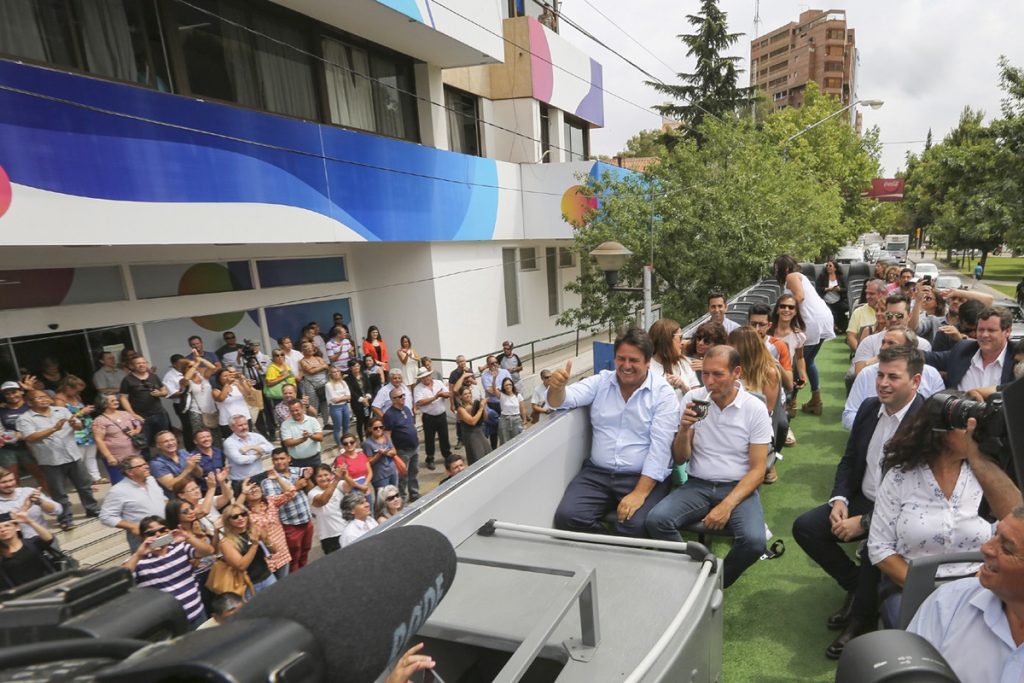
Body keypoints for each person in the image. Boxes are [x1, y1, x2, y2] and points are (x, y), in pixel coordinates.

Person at [792, 345, 926, 658]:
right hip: (861, 500)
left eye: (894, 376)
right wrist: (839, 499)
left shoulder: (927, 425)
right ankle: (856, 587)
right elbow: (850, 459)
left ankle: (861, 622)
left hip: (901, 515)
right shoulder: (868, 408)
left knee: (871, 553)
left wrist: (865, 524)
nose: (883, 382)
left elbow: (918, 494)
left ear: (916, 381)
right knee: (806, 528)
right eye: (880, 374)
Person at [868, 408, 1022, 627]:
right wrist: (929, 592)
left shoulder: (988, 477)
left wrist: (980, 583)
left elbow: (1009, 531)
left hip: (980, 584)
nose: (973, 433)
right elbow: (880, 548)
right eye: (965, 426)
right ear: (940, 432)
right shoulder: (899, 477)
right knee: (923, 647)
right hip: (911, 587)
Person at [646, 346, 772, 587]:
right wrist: (684, 429)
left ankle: (715, 582)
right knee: (656, 520)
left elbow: (758, 470)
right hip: (698, 484)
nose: (710, 381)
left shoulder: (754, 409)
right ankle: (694, 572)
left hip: (738, 487)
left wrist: (727, 505)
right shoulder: (693, 400)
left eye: (718, 374)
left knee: (755, 542)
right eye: (705, 374)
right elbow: (680, 458)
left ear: (737, 373)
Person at [550, 328, 678, 537]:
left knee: (633, 526)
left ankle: (619, 552)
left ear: (648, 362)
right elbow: (562, 400)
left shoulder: (663, 394)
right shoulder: (601, 382)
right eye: (621, 358)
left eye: (633, 360)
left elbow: (661, 450)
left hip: (643, 477)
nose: (626, 366)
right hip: (597, 474)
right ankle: (611, 549)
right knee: (568, 516)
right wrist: (557, 388)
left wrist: (639, 493)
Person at [907, 507, 1024, 683]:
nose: (986, 548)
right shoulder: (948, 602)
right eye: (995, 534)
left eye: (1006, 549)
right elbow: (908, 674)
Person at [16, 390, 100, 530]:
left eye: (45, 396)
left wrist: (76, 425)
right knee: (59, 492)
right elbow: (30, 437)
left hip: (73, 455)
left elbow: (79, 426)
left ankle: (92, 509)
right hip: (50, 461)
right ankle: (65, 518)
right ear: (30, 403)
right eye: (39, 398)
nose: (44, 399)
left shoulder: (62, 410)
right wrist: (54, 429)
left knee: (84, 486)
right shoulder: (25, 419)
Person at [842, 328, 945, 430]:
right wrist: (874, 428)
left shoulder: (931, 375)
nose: (883, 347)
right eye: (883, 342)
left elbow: (938, 414)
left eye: (891, 343)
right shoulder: (866, 374)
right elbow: (849, 414)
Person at [124, 515, 214, 630]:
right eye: (151, 533)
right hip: (172, 625)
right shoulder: (138, 561)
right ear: (142, 538)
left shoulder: (180, 547)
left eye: (162, 530)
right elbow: (122, 579)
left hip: (198, 615)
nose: (158, 535)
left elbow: (208, 551)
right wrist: (138, 554)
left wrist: (188, 537)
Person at [773, 255, 835, 416]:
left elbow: (799, 297)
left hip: (812, 322)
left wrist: (782, 310)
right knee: (809, 361)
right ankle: (816, 399)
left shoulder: (791, 276)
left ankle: (790, 403)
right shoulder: (799, 277)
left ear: (785, 268)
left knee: (794, 364)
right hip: (821, 318)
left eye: (777, 268)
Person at [727, 327, 783, 484]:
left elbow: (768, 410)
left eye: (732, 345)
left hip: (754, 422)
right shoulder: (729, 368)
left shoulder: (768, 373)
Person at [925, 306, 1017, 391]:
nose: (984, 335)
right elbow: (927, 358)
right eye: (981, 330)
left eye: (991, 330)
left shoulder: (1018, 358)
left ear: (1007, 331)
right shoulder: (962, 350)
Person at [852, 295, 933, 376]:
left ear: (909, 316)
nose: (893, 319)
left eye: (899, 315)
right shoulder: (869, 342)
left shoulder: (922, 345)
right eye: (889, 315)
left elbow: (923, 376)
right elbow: (859, 374)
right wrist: (881, 357)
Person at [99, 456, 167, 551]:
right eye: (141, 466)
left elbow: (163, 499)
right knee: (151, 563)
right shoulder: (118, 490)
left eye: (145, 464)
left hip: (164, 531)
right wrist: (132, 526)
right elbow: (106, 516)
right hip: (144, 538)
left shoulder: (151, 480)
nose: (146, 467)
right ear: (130, 472)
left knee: (171, 558)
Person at [262, 448, 314, 572]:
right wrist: (295, 487)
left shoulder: (297, 471)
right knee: (294, 558)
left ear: (289, 458)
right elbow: (275, 502)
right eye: (276, 459)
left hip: (307, 520)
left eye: (282, 458)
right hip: (290, 525)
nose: (279, 462)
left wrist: (308, 479)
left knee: (305, 552)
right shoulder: (268, 481)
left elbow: (310, 489)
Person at [243, 471, 295, 580]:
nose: (254, 490)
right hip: (263, 562)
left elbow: (291, 493)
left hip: (282, 554)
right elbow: (232, 512)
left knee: (285, 586)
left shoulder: (270, 502)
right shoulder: (243, 514)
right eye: (250, 488)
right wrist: (243, 493)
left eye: (256, 486)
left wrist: (278, 478)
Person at [219, 504, 277, 596]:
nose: (240, 518)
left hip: (268, 576)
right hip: (249, 586)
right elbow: (241, 566)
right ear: (228, 521)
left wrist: (266, 540)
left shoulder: (255, 529)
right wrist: (254, 545)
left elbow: (274, 551)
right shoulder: (226, 542)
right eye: (235, 517)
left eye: (243, 514)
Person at [0, 381, 48, 491]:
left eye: (14, 392)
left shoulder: (32, 406)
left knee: (40, 474)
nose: (11, 396)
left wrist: (31, 390)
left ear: (21, 391)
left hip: (31, 446)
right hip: (8, 449)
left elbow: (45, 416)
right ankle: (17, 503)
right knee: (12, 478)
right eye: (7, 394)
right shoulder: (2, 409)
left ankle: (51, 500)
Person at [119, 355, 170, 452]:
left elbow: (165, 391)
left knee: (164, 439)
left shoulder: (153, 376)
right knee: (143, 444)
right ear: (132, 366)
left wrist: (160, 393)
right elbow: (123, 398)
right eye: (138, 363)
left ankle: (165, 461)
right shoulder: (127, 380)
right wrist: (132, 414)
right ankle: (146, 464)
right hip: (141, 416)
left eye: (143, 363)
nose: (141, 365)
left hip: (159, 413)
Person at [769, 294, 808, 419]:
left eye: (791, 307)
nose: (786, 310)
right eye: (783, 306)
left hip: (786, 374)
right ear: (777, 309)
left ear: (795, 312)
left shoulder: (799, 336)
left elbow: (800, 357)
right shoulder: (767, 331)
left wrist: (803, 375)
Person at [0, 510, 58, 588]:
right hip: (25, 595)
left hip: (50, 585)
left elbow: (49, 539)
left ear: (17, 527)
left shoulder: (31, 543)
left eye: (7, 525)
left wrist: (29, 521)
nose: (3, 530)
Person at [0, 467, 61, 538]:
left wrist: (40, 501)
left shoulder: (28, 491)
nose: (9, 484)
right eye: (3, 482)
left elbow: (58, 510)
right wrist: (25, 507)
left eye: (11, 480)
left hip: (44, 538)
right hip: (17, 545)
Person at [648, 318, 698, 403]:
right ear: (666, 340)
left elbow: (698, 400)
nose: (682, 342)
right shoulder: (646, 368)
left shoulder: (685, 363)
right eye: (680, 338)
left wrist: (684, 387)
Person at [383, 388, 419, 502]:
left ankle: (414, 494)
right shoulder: (389, 415)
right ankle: (402, 499)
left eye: (403, 395)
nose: (403, 398)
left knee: (414, 473)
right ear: (393, 400)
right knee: (403, 476)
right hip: (402, 450)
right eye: (399, 396)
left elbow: (411, 425)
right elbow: (387, 434)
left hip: (414, 447)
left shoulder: (407, 409)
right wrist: (393, 450)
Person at [222, 414, 274, 493]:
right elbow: (241, 460)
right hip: (241, 480)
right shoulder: (229, 442)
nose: (244, 427)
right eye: (240, 425)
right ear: (232, 428)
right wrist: (259, 454)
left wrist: (252, 447)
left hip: (260, 476)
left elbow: (271, 448)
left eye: (245, 424)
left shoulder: (256, 436)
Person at [413, 367, 451, 470]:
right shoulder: (418, 388)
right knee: (429, 438)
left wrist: (443, 394)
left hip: (441, 415)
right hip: (428, 417)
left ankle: (447, 455)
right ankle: (430, 458)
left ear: (430, 375)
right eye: (423, 378)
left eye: (427, 376)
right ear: (421, 379)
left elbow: (448, 393)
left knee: (444, 437)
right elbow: (419, 402)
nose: (426, 379)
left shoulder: (438, 382)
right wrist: (435, 397)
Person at [307, 464, 349, 554]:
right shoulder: (312, 493)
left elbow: (349, 486)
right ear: (315, 478)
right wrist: (336, 480)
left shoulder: (339, 485)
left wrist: (345, 475)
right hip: (329, 537)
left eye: (326, 475)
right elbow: (322, 500)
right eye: (319, 476)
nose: (323, 478)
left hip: (346, 530)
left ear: (331, 475)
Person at [149, 430, 204, 495]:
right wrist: (188, 469)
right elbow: (171, 486)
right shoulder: (157, 463)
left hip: (194, 493)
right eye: (165, 441)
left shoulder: (183, 453)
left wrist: (195, 464)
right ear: (158, 445)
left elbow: (200, 474)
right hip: (177, 499)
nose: (170, 443)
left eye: (172, 440)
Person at [279, 399, 324, 471]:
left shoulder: (312, 420)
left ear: (302, 409)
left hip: (314, 459)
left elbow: (320, 437)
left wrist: (310, 435)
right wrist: (303, 439)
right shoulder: (285, 424)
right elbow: (287, 443)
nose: (295, 413)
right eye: (292, 411)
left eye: (297, 410)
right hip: (297, 462)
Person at [211, 367, 254, 440]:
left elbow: (248, 393)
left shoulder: (236, 386)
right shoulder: (215, 390)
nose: (228, 377)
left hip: (244, 418)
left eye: (229, 375)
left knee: (248, 439)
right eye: (225, 376)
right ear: (219, 379)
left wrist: (242, 381)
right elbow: (221, 399)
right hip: (228, 421)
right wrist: (227, 383)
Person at [846, 279, 886, 353]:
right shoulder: (858, 312)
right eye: (866, 293)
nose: (867, 296)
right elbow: (851, 336)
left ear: (883, 293)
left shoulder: (892, 311)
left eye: (871, 294)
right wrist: (860, 352)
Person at [480, 356, 511, 449]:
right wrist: (501, 389)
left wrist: (497, 389)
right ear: (488, 365)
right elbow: (490, 391)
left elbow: (510, 387)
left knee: (506, 426)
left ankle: (506, 447)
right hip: (493, 404)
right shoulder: (485, 376)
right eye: (492, 363)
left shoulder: (505, 372)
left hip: (505, 403)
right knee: (493, 429)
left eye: (496, 362)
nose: (494, 365)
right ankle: (494, 449)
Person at [333, 433, 373, 504]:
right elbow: (347, 477)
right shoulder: (340, 459)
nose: (349, 445)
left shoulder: (362, 455)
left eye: (351, 442)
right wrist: (361, 487)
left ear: (356, 443)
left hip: (365, 486)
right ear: (342, 445)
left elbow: (370, 472)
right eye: (345, 443)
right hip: (352, 490)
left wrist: (366, 484)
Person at [456, 386, 491, 465]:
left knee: (487, 455)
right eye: (465, 394)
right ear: (460, 396)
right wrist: (481, 408)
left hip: (480, 433)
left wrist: (483, 407)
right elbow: (472, 422)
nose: (468, 395)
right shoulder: (461, 409)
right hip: (471, 436)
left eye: (469, 393)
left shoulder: (475, 404)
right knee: (477, 458)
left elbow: (485, 418)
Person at [686, 321, 727, 385]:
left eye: (707, 341)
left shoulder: (724, 360)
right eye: (699, 338)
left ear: (717, 344)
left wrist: (708, 368)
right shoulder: (686, 353)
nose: (700, 343)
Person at [364, 416, 399, 491]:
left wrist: (386, 453)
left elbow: (394, 451)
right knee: (383, 498)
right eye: (375, 428)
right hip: (380, 476)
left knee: (394, 492)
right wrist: (378, 455)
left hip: (392, 471)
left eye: (381, 427)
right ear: (370, 429)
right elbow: (369, 462)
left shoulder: (386, 437)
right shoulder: (367, 443)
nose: (379, 429)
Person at [298, 340, 330, 416]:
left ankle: (327, 422)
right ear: (303, 350)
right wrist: (321, 367)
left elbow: (326, 367)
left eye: (311, 347)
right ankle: (313, 422)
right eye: (307, 347)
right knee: (313, 404)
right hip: (311, 385)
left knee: (324, 403)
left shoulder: (318, 358)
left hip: (323, 383)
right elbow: (310, 371)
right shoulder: (302, 361)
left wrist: (315, 368)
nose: (310, 349)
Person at [816, 259, 848, 333]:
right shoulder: (822, 276)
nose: (828, 267)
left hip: (838, 300)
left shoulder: (840, 277)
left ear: (835, 268)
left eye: (830, 266)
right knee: (829, 312)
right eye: (827, 265)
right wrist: (826, 289)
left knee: (842, 309)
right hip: (826, 300)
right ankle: (833, 327)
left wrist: (839, 289)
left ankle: (839, 327)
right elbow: (817, 288)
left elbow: (846, 289)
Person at [346, 359, 373, 442]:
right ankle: (361, 440)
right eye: (354, 366)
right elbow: (352, 392)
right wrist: (361, 400)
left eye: (357, 366)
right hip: (357, 403)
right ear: (350, 368)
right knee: (360, 421)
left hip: (367, 401)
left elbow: (369, 387)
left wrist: (367, 397)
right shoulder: (348, 379)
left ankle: (368, 438)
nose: (356, 368)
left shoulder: (364, 375)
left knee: (367, 421)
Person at [496, 377, 526, 445]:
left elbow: (523, 409)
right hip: (504, 420)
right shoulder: (501, 395)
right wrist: (495, 378)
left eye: (510, 384)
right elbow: (493, 389)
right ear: (503, 386)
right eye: (506, 385)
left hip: (516, 420)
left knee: (517, 441)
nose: (508, 386)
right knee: (505, 441)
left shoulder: (518, 395)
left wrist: (524, 422)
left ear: (512, 385)